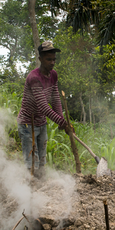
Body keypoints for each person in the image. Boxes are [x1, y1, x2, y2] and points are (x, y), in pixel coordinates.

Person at [17, 41, 67, 177]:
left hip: (41, 122)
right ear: (40, 59)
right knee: (32, 160)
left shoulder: (53, 75)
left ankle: (42, 187)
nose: (52, 62)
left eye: (54, 59)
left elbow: (55, 99)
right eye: (48, 59)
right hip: (28, 123)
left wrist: (63, 120)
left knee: (42, 159)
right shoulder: (34, 78)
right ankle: (31, 189)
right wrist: (61, 123)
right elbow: (44, 106)